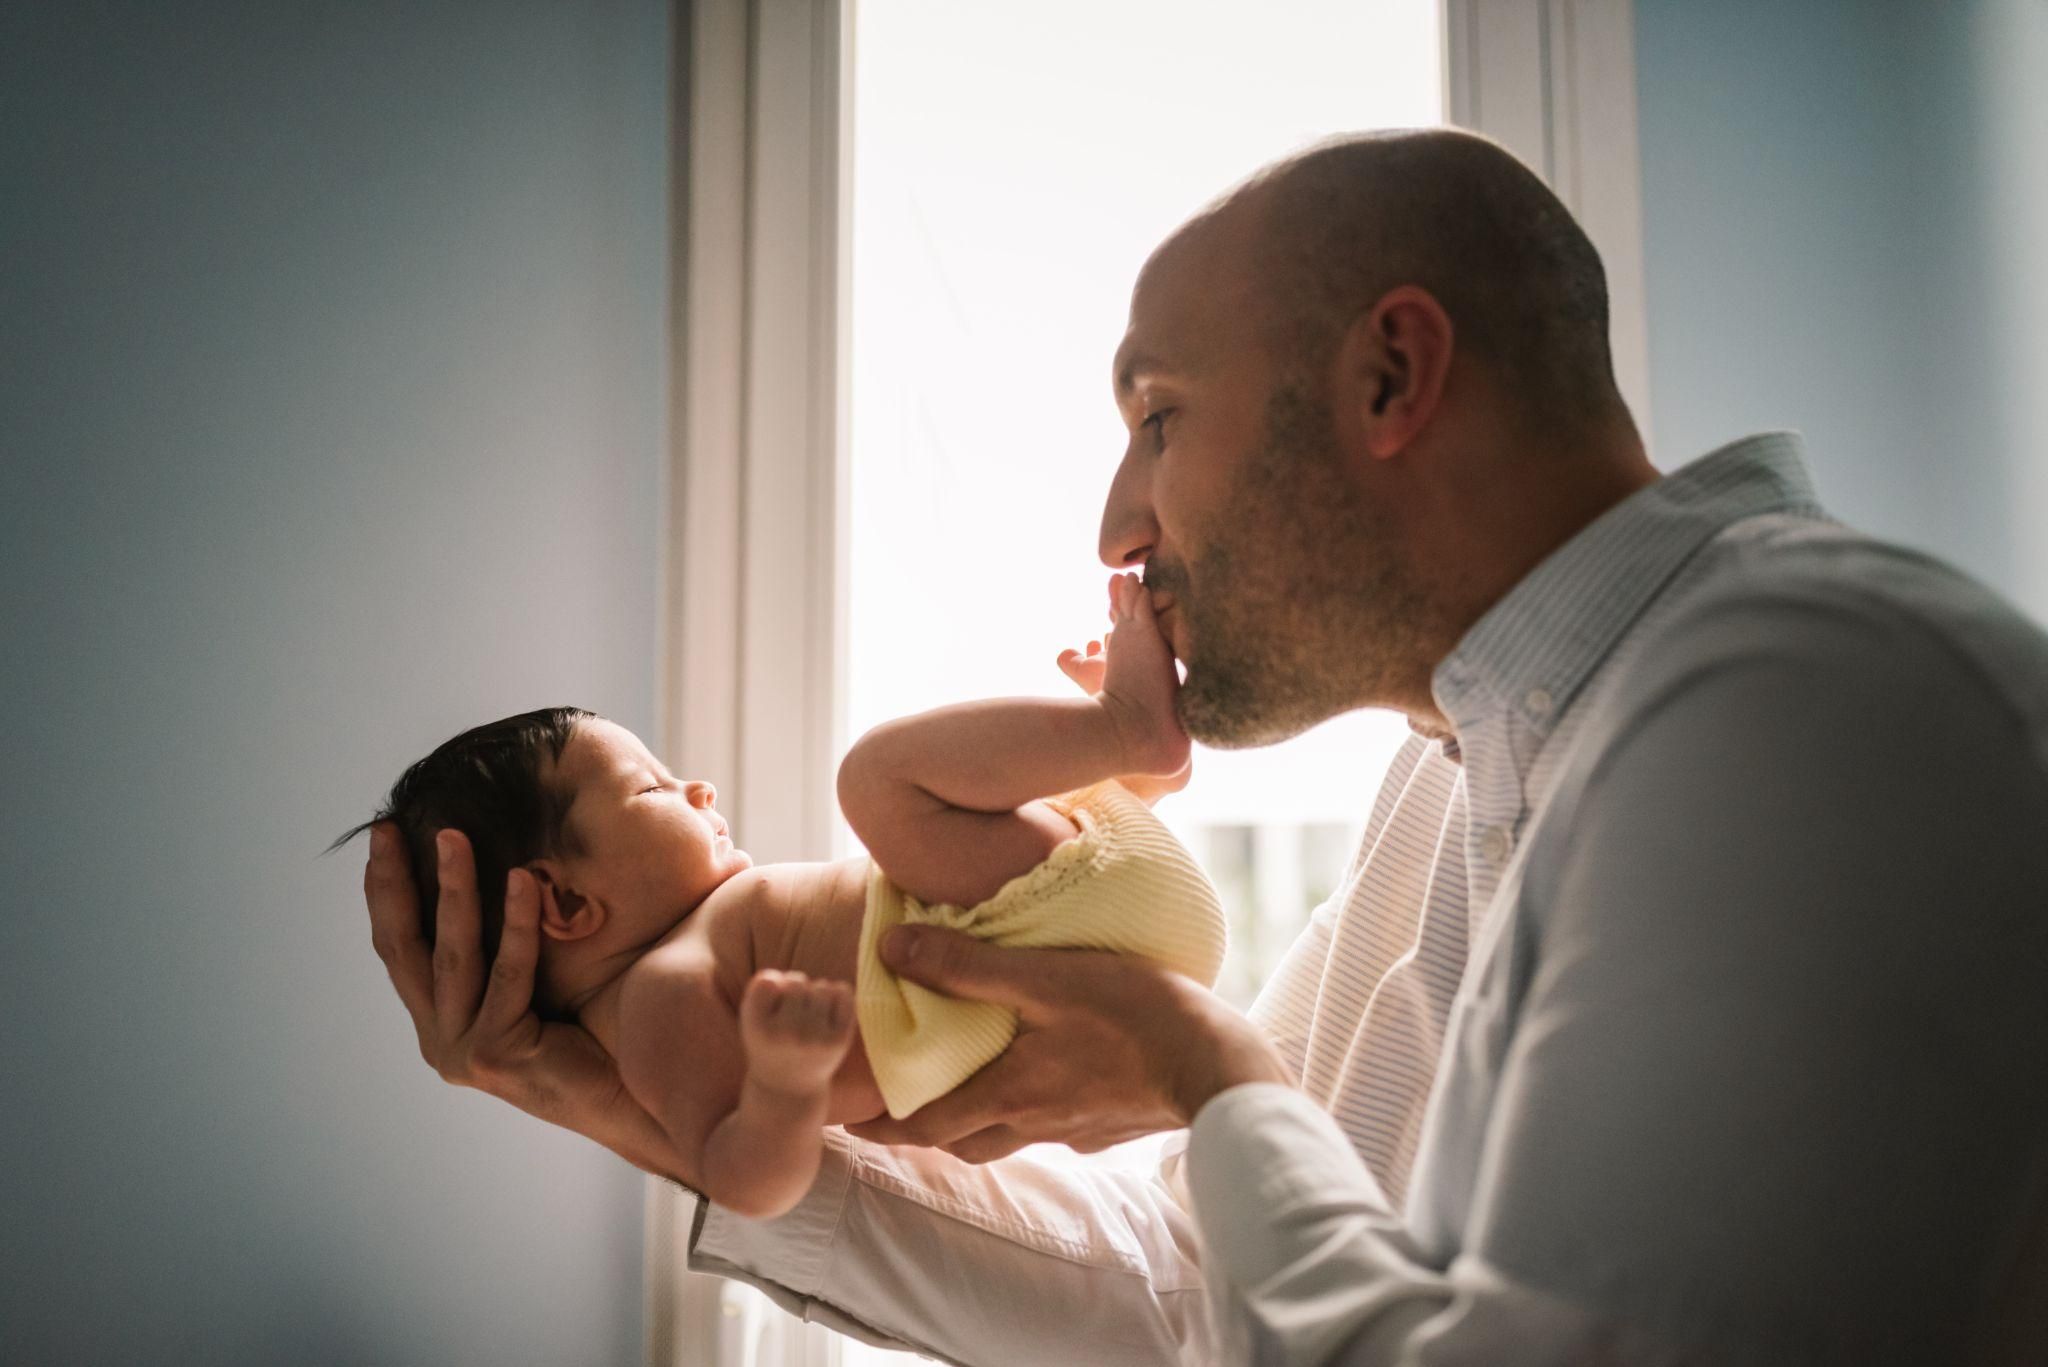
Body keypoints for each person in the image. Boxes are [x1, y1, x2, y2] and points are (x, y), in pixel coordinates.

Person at [364, 128, 2048, 1364]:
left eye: (1155, 417)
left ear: (1391, 372)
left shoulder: (1791, 703)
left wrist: (1198, 1060)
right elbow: (1191, 1276)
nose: (1118, 516)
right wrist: (640, 1100)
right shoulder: (1456, 780)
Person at [343, 574, 1229, 1220]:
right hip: (1046, 929)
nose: (698, 788)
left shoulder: (704, 945)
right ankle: (1122, 732)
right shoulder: (659, 997)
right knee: (873, 781)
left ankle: (1123, 765)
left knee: (915, 822)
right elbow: (742, 1177)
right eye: (653, 790)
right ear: (567, 906)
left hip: (1059, 929)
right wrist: (783, 1084)